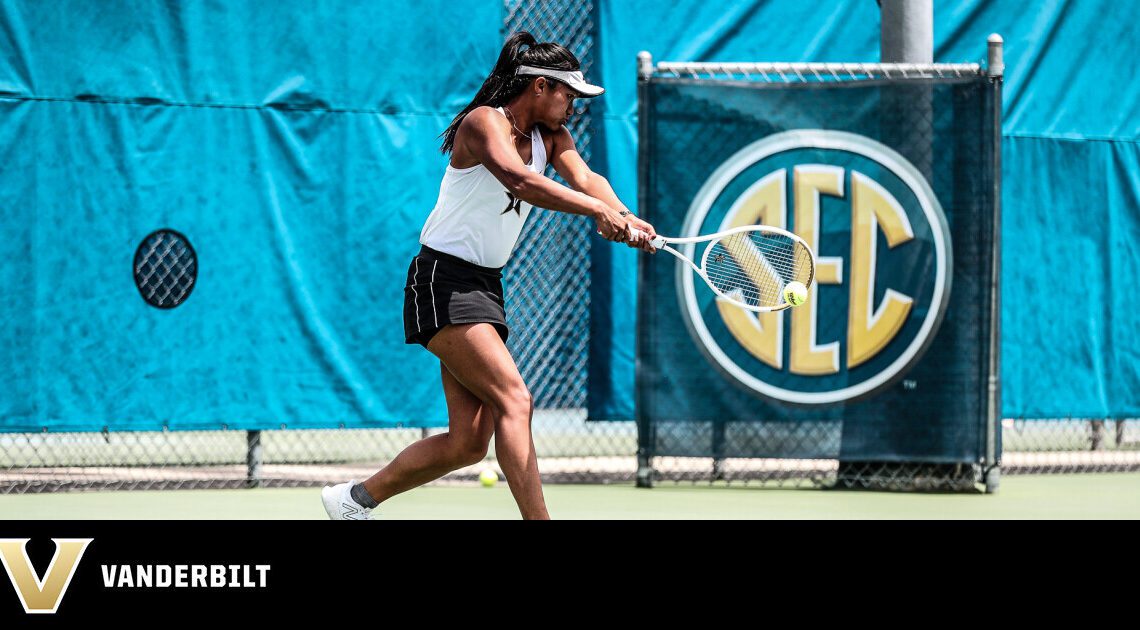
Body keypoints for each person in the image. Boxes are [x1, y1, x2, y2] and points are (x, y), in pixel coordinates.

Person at [321, 31, 655, 520]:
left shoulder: (551, 137)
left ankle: (352, 501)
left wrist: (625, 215)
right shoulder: (482, 124)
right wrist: (595, 212)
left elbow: (588, 180)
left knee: (467, 443)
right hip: (441, 280)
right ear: (540, 87)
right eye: (569, 94)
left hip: (483, 286)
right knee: (515, 400)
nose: (573, 106)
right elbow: (521, 180)